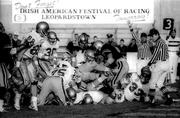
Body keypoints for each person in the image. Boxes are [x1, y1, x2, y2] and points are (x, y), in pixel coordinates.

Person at [147, 29, 169, 99]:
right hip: (167, 63)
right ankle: (168, 98)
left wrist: (149, 64)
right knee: (159, 83)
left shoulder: (159, 42)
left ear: (157, 35)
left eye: (152, 36)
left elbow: (155, 55)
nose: (151, 38)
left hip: (161, 64)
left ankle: (151, 100)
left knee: (152, 83)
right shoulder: (161, 41)